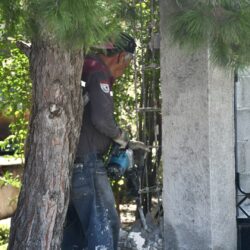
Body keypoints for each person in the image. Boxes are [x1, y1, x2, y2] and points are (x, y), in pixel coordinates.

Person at [62, 33, 139, 250]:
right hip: (87, 164)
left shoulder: (84, 67)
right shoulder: (98, 72)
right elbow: (102, 120)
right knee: (104, 225)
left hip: (72, 162)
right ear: (120, 56)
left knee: (76, 234)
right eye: (128, 62)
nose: (124, 71)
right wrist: (121, 137)